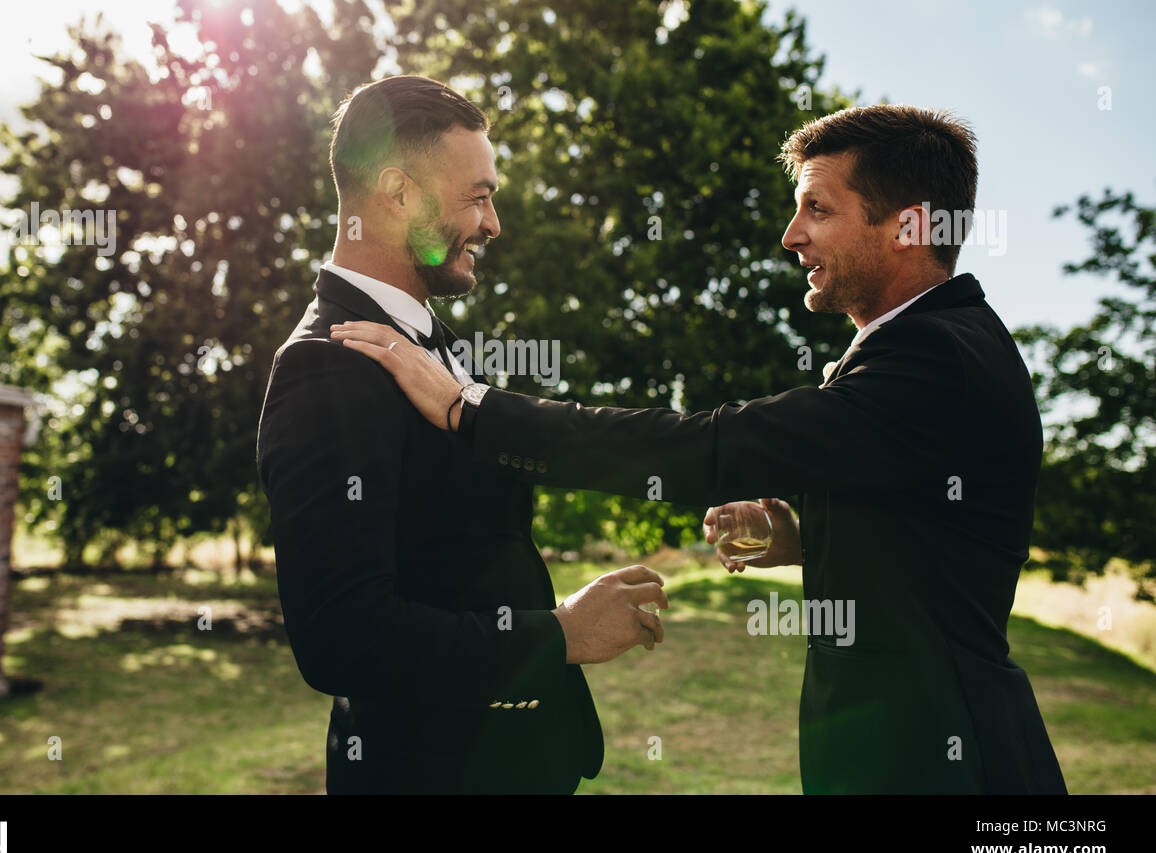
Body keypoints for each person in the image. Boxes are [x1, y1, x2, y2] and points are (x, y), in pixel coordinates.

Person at [332, 104, 1068, 794]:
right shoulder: (930, 342)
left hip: (946, 756)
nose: (791, 235)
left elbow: (708, 446)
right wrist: (803, 537)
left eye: (818, 208)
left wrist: (474, 412)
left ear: (909, 227)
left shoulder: (934, 358)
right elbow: (931, 524)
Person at [256, 75, 666, 794]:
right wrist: (560, 635)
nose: (494, 223)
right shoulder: (327, 367)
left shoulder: (433, 347)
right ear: (399, 192)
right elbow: (342, 638)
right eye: (478, 195)